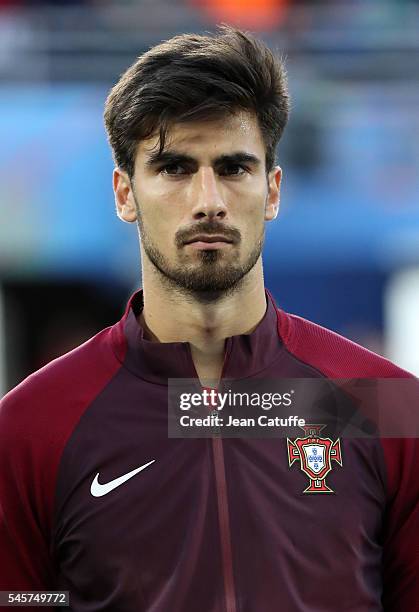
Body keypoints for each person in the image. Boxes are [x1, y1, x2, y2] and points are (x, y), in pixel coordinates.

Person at [0, 25, 417, 612]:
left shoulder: (384, 405)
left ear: (272, 190)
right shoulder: (30, 427)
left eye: (233, 167)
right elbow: (20, 599)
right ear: (124, 194)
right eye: (173, 168)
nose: (208, 200)